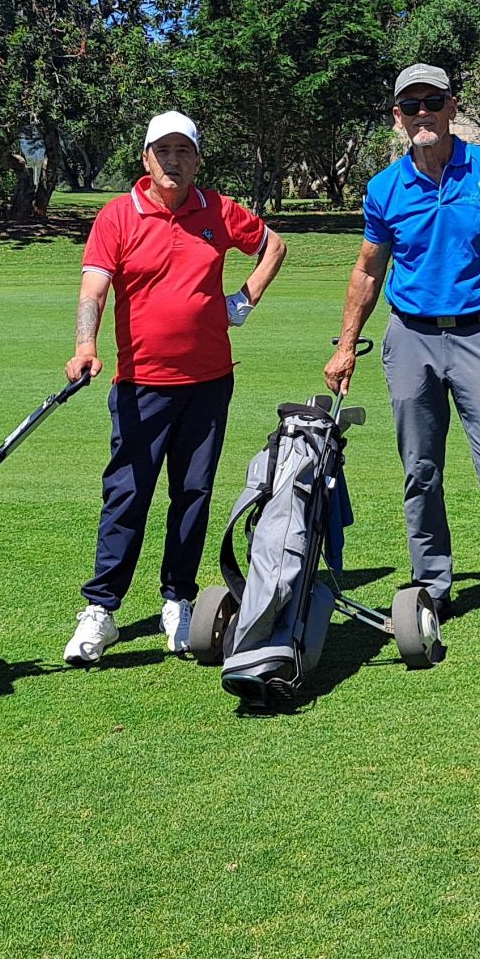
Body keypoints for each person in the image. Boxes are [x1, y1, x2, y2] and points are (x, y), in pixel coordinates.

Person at [324, 64, 480, 650]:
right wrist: (346, 344)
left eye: (432, 102)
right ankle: (431, 585)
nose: (422, 113)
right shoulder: (385, 188)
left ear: (452, 107)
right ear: (397, 117)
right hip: (411, 338)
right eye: (411, 106)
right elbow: (368, 270)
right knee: (420, 470)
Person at [63, 111, 287, 666]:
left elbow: (274, 246)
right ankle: (101, 609)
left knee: (192, 494)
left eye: (183, 151)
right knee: (127, 495)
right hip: (142, 384)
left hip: (209, 383)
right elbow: (94, 289)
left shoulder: (218, 209)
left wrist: (245, 299)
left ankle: (178, 601)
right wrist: (86, 345)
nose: (173, 161)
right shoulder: (118, 215)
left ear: (197, 159)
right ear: (146, 158)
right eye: (162, 151)